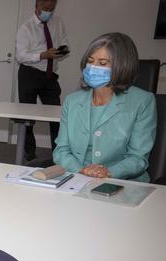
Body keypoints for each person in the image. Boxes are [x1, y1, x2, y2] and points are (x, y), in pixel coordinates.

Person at [53, 33, 157, 182]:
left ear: (122, 66)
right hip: (77, 178)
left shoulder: (142, 101)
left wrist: (108, 172)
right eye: (90, 61)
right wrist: (82, 171)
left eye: (102, 63)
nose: (93, 68)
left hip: (122, 183)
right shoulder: (72, 101)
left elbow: (138, 158)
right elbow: (61, 151)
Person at [15, 0, 69, 162]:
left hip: (50, 75)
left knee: (56, 115)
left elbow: (65, 43)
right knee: (27, 116)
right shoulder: (26, 27)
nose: (49, 12)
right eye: (45, 9)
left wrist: (62, 51)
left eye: (52, 9)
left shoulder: (58, 22)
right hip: (29, 74)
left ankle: (59, 152)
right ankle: (29, 151)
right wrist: (42, 55)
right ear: (36, 7)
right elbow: (21, 56)